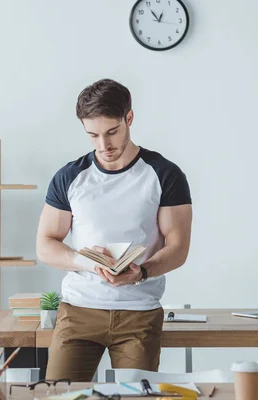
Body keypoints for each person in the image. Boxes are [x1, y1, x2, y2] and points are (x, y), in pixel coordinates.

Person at [36, 78, 193, 382]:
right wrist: (85, 261)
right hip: (78, 310)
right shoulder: (70, 176)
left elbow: (178, 247)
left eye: (111, 132)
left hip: (139, 312)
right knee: (59, 394)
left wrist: (142, 272)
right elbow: (46, 244)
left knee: (136, 395)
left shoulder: (164, 174)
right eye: (92, 135)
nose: (103, 145)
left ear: (128, 119)